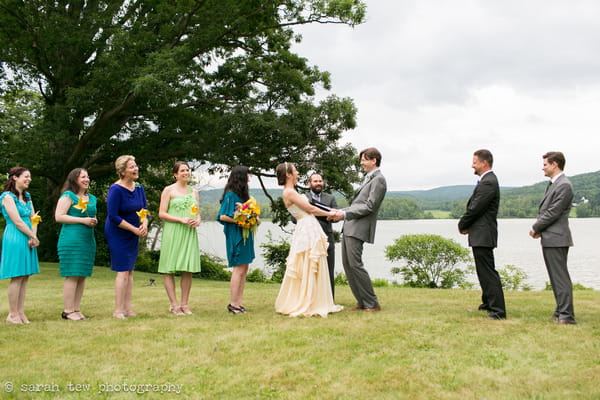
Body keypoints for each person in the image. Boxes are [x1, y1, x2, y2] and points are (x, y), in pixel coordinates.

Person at [274, 163, 343, 317]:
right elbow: (310, 209)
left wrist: (331, 211)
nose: (298, 172)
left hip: (308, 227)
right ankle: (309, 301)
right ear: (288, 175)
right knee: (308, 262)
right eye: (295, 170)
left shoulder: (292, 191)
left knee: (311, 262)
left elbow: (311, 209)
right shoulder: (290, 192)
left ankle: (314, 297)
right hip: (306, 229)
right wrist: (331, 213)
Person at [331, 148, 387, 312]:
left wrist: (344, 214)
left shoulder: (379, 180)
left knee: (355, 265)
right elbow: (357, 205)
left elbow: (370, 206)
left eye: (363, 160)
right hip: (349, 226)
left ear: (373, 160)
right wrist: (340, 212)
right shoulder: (368, 178)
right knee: (348, 265)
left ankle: (372, 303)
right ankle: (362, 302)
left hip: (359, 227)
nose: (361, 163)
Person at [458, 149, 506, 320]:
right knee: (483, 271)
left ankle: (498, 311)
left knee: (487, 272)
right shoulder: (486, 181)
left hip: (483, 233)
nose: (472, 165)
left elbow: (476, 207)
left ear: (484, 163)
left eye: (475, 162)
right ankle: (487, 304)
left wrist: (462, 224)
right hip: (481, 233)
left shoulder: (488, 182)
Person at [529, 151, 576, 325]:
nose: (543, 167)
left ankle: (566, 316)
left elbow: (553, 212)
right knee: (556, 277)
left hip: (557, 237)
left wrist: (536, 227)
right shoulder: (555, 184)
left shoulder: (564, 185)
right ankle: (560, 311)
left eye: (545, 164)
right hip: (551, 237)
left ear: (555, 164)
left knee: (560, 277)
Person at [104, 155, 149, 319]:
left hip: (134, 232)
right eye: (131, 167)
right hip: (118, 233)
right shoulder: (115, 189)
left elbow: (144, 209)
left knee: (130, 270)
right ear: (122, 171)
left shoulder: (139, 187)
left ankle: (128, 308)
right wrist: (134, 229)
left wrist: (144, 224)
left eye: (136, 166)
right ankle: (118, 310)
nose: (136, 169)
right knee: (122, 270)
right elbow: (113, 216)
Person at [158, 161, 201, 315]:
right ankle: (174, 304)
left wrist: (198, 220)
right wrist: (180, 219)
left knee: (187, 268)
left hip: (189, 232)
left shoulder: (194, 192)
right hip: (173, 231)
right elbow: (161, 213)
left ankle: (185, 304)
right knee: (169, 268)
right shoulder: (168, 190)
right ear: (175, 174)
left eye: (188, 170)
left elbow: (196, 211)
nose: (186, 173)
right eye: (182, 170)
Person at [55, 168, 98, 321]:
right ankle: (68, 311)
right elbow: (59, 216)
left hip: (87, 240)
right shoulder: (68, 196)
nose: (87, 179)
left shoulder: (92, 198)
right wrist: (82, 220)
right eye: (83, 177)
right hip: (71, 239)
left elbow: (92, 215)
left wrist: (93, 220)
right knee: (73, 274)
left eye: (88, 176)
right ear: (74, 179)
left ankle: (76, 309)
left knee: (82, 275)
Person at [0, 167, 40, 324]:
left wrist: (34, 236)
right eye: (26, 176)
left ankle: (20, 312)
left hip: (29, 237)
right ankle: (12, 314)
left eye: (30, 177)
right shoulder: (7, 197)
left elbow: (34, 218)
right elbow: (16, 220)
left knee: (25, 276)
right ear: (15, 178)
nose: (29, 179)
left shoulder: (27, 197)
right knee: (17, 276)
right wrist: (31, 235)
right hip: (15, 237)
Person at [217, 166, 255, 314]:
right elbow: (223, 216)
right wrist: (240, 222)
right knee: (238, 269)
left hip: (246, 235)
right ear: (240, 177)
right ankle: (233, 303)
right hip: (236, 235)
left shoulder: (243, 196)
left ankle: (239, 302)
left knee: (244, 269)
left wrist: (252, 218)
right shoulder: (230, 195)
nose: (249, 177)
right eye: (247, 175)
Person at [305, 173, 339, 297]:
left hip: (327, 238)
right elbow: (294, 218)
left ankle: (329, 299)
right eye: (315, 181)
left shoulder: (330, 198)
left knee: (328, 270)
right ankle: (311, 299)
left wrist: (332, 215)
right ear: (309, 183)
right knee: (310, 270)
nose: (318, 183)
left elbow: (337, 216)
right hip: (308, 239)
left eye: (320, 181)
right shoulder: (303, 198)